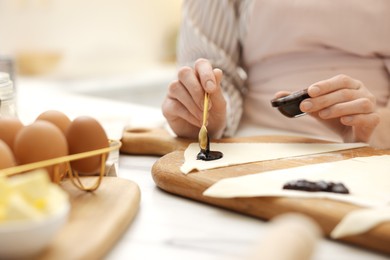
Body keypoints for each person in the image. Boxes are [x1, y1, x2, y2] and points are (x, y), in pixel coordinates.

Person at [162, 0, 390, 149]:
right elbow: (210, 66)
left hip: (377, 149)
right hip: (249, 146)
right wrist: (205, 114)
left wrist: (373, 133)